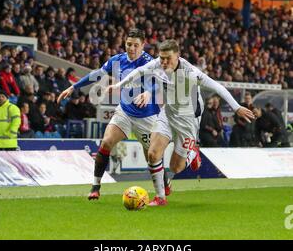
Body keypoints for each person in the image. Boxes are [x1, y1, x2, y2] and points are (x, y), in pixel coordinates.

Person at [107, 39, 255, 206]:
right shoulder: (158, 64)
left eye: (167, 58)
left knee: (176, 167)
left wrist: (236, 107)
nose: (163, 62)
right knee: (153, 154)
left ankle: (192, 153)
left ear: (177, 56)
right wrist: (118, 85)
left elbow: (217, 87)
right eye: (161, 58)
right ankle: (160, 197)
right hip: (167, 114)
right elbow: (139, 71)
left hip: (188, 120)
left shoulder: (190, 72)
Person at [57, 28, 170, 201]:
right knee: (106, 142)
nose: (131, 48)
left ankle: (164, 183)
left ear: (143, 45)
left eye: (135, 45)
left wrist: (148, 93)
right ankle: (96, 186)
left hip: (147, 117)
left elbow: (159, 83)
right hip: (124, 111)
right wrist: (74, 86)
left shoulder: (151, 62)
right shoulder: (116, 61)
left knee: (153, 157)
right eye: (128, 44)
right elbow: (96, 74)